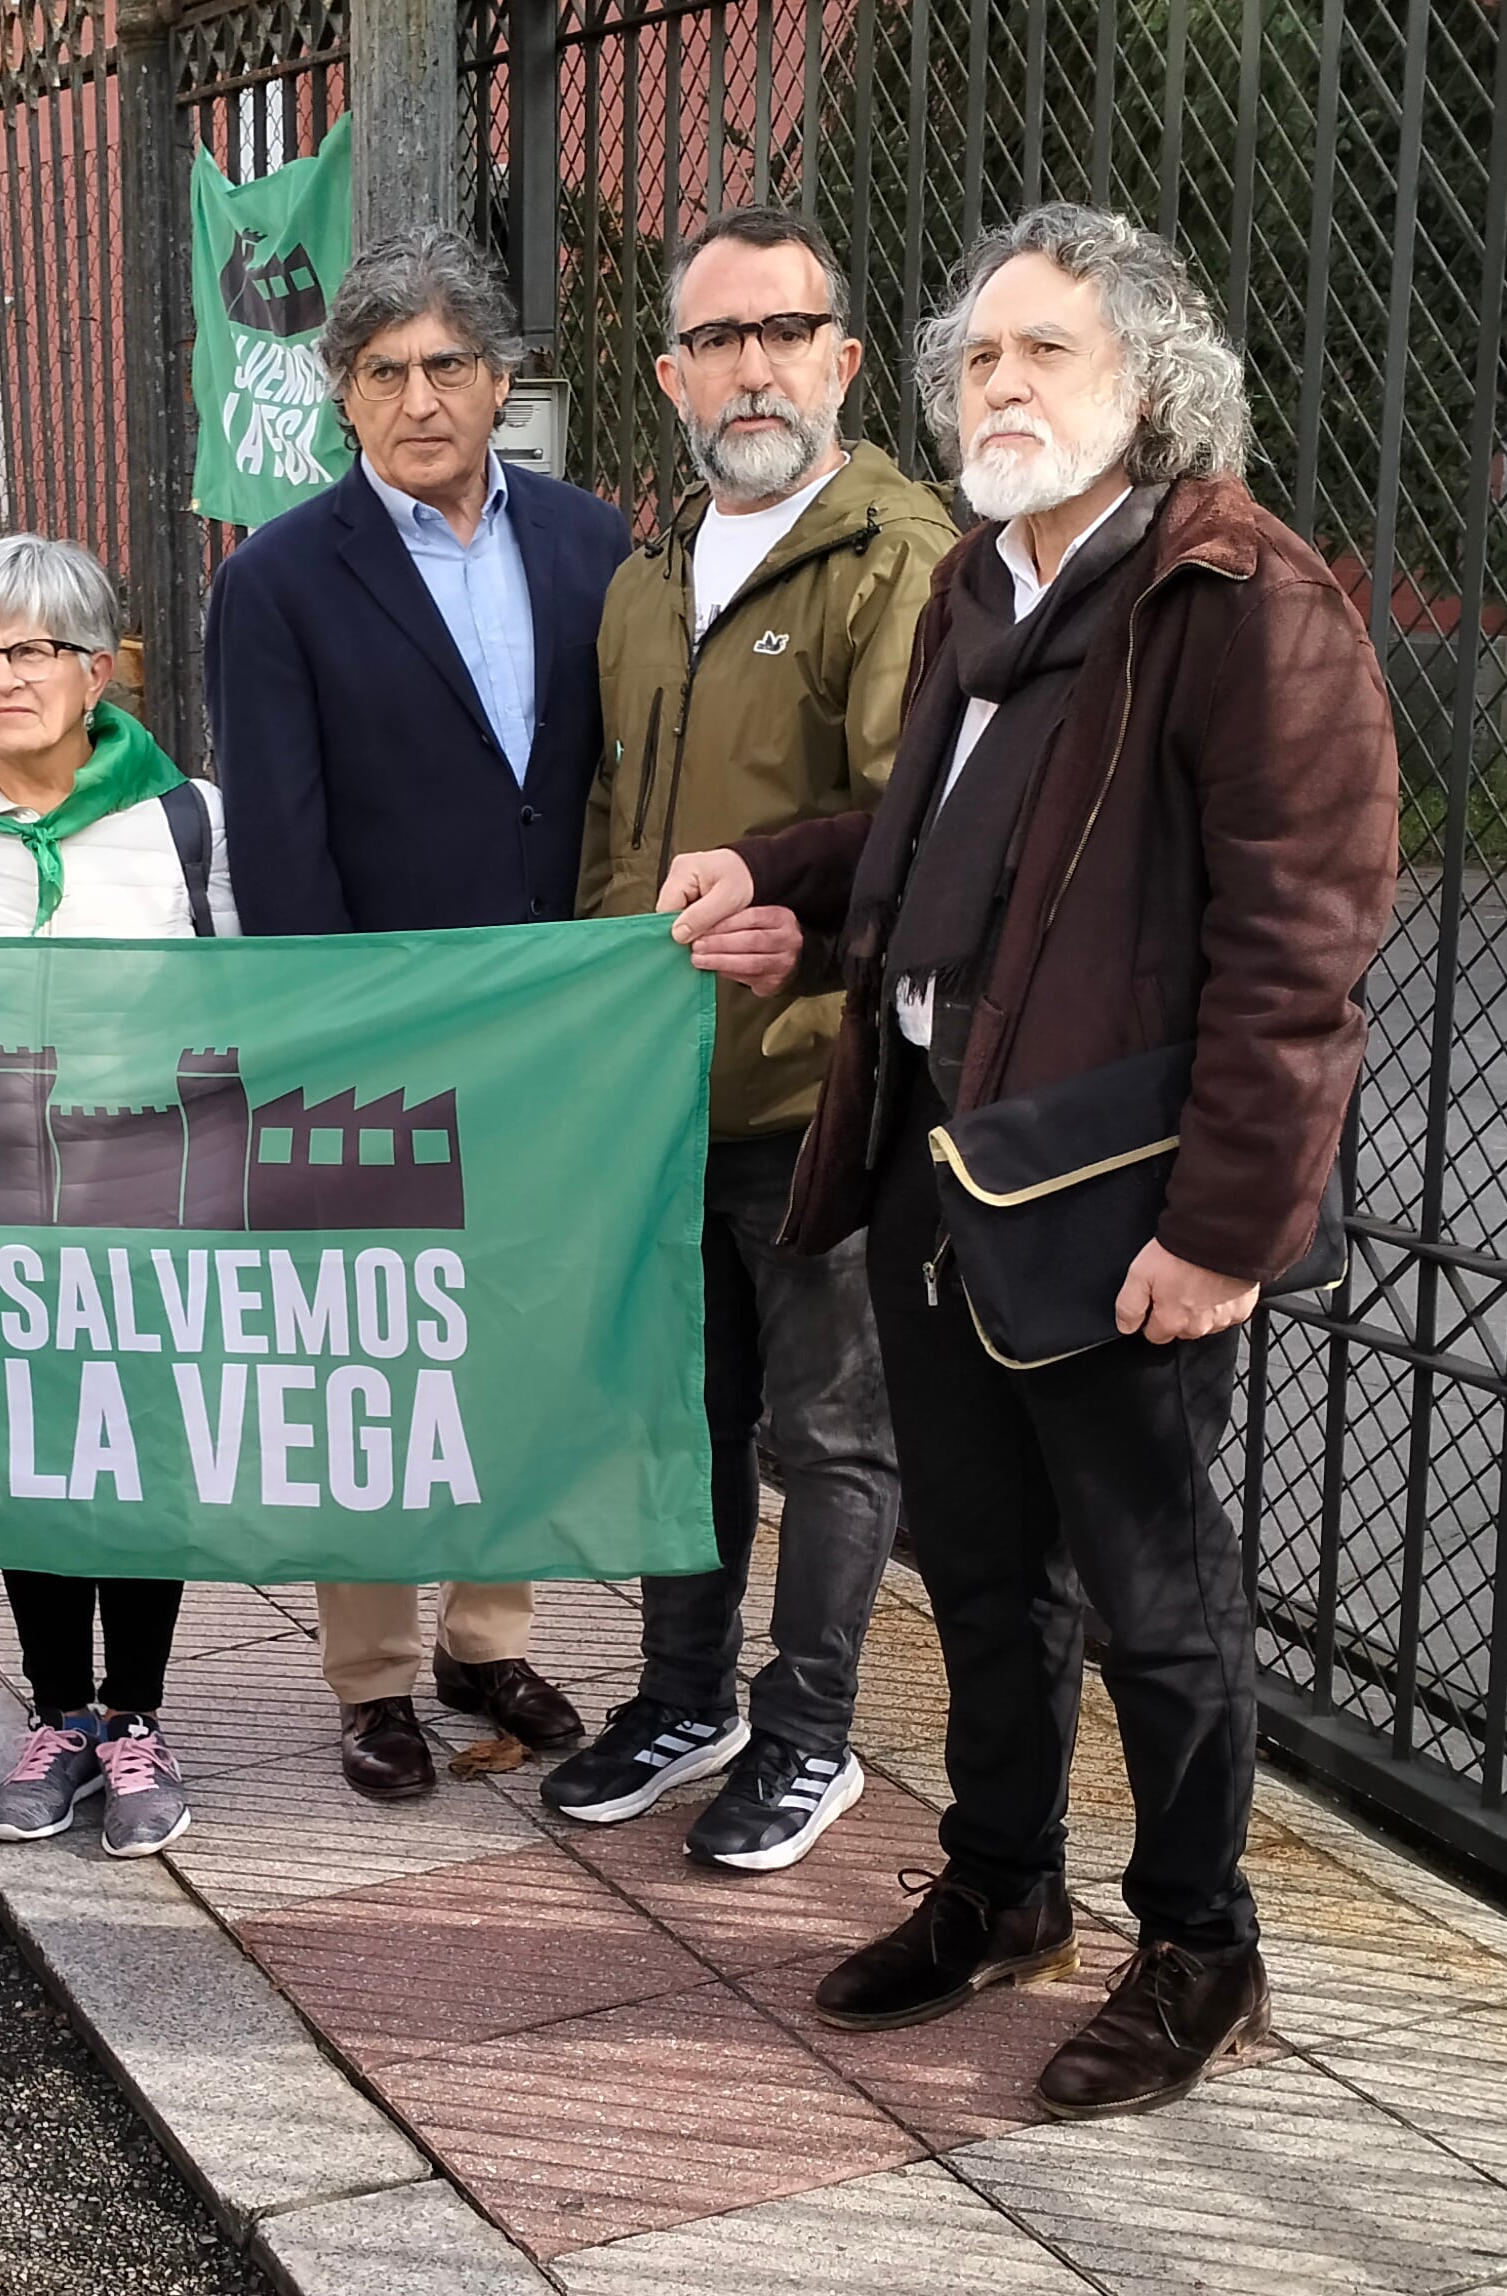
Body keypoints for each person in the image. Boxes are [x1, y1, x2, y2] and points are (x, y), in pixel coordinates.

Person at [660, 206, 1398, 2114]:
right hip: (934, 1170)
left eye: (1043, 353)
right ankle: (1002, 1890)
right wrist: (784, 880)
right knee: (978, 1571)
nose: (999, 384)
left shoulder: (1241, 602)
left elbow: (1299, 951)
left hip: (1116, 1201)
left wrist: (1227, 1226)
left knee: (1154, 1594)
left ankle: (1201, 1949)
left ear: (1147, 380)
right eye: (980, 356)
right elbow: (927, 854)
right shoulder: (983, 591)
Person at [204, 226, 631, 1802]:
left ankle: (486, 1634)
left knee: (517, 1338)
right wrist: (329, 1038)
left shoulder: (596, 545)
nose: (420, 395)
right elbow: (278, 835)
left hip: (559, 1035)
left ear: (500, 381)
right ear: (342, 396)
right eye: (382, 370)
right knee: (372, 1355)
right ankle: (376, 1679)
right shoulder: (279, 577)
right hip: (375, 1035)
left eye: (449, 364)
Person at [554, 206, 946, 1874]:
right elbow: (610, 826)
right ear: (670, 374)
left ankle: (808, 1732)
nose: (753, 365)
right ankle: (683, 1695)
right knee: (681, 1417)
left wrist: (820, 948)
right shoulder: (646, 578)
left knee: (832, 1429)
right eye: (718, 338)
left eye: (787, 330)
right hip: (656, 1088)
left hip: (810, 1086)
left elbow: (915, 815)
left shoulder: (893, 555)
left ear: (844, 358)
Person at [0, 531, 234, 1856]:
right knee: (31, 1448)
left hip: (144, 1190)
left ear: (99, 667)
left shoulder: (187, 819)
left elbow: (238, 1009)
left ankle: (136, 1716)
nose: (1, 677)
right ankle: (58, 1713)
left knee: (137, 1451)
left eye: (32, 650)